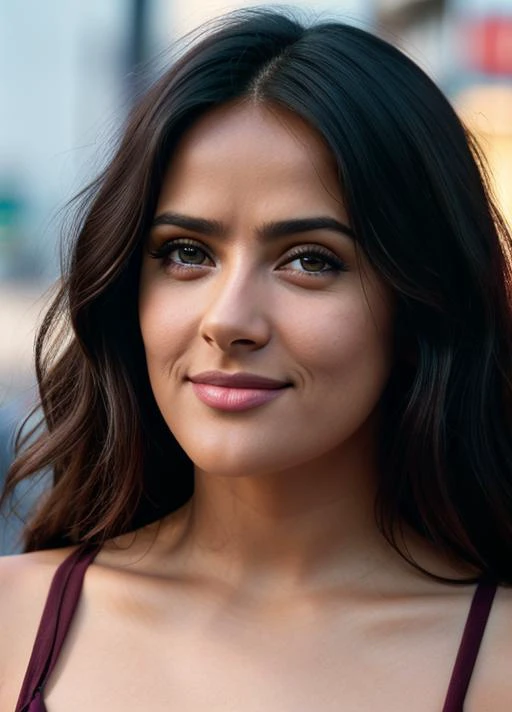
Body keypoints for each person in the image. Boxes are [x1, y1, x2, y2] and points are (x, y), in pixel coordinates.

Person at [1, 8, 511, 711]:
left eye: (310, 260)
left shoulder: (498, 661)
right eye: (187, 253)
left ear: (421, 301)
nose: (228, 320)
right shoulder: (12, 625)